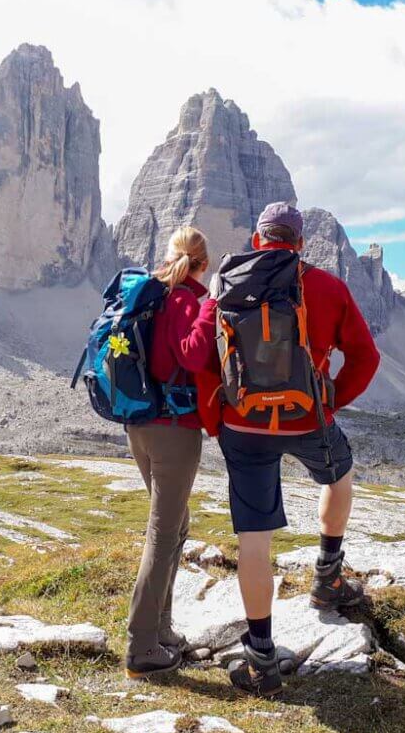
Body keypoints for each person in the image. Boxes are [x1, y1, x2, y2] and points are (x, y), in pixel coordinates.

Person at [195, 202, 381, 697]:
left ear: (258, 239)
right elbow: (366, 355)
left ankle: (261, 660)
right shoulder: (326, 286)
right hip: (307, 418)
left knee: (254, 542)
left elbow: (201, 357)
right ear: (299, 243)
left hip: (243, 424)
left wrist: (218, 419)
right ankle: (327, 577)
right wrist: (331, 400)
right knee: (339, 478)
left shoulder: (226, 281)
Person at [124, 226, 219, 680]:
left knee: (177, 525)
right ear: (203, 262)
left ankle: (161, 631)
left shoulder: (155, 295)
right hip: (173, 430)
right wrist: (211, 309)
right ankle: (142, 646)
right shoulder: (186, 300)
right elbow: (190, 357)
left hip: (139, 425)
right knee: (163, 533)